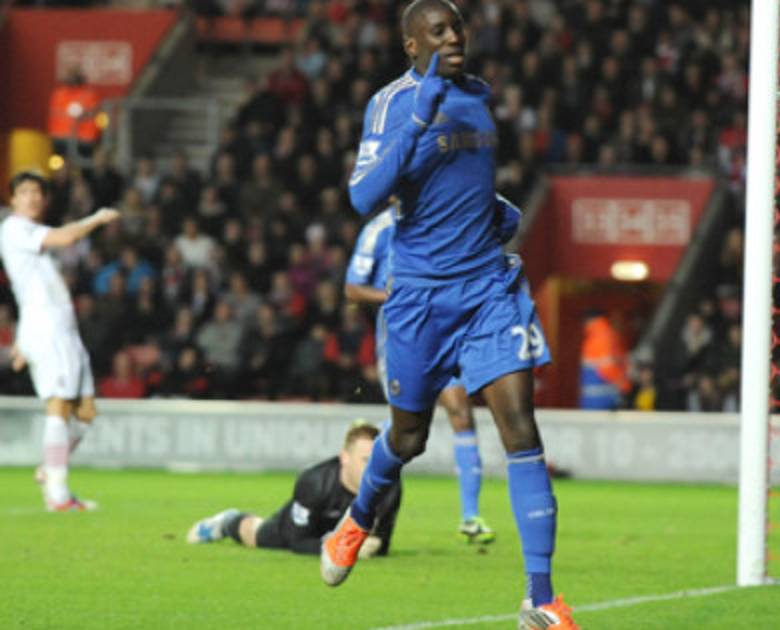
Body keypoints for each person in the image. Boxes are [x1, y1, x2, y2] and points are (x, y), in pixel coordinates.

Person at [323, 2, 576, 627]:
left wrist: (495, 210)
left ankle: (540, 597)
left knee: (521, 429)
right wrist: (421, 113)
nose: (453, 37)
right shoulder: (392, 103)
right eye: (437, 31)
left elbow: (465, 179)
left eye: (457, 27)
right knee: (409, 437)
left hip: (488, 287)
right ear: (412, 45)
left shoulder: (479, 97)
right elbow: (363, 195)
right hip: (419, 297)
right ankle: (357, 520)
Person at [343, 197, 521, 545]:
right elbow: (352, 288)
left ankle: (470, 516)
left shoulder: (441, 218)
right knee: (405, 430)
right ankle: (361, 492)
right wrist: (395, 295)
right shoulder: (378, 230)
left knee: (461, 412)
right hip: (401, 339)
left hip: (443, 334)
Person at [0, 171, 120, 511]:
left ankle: (50, 466)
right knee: (59, 404)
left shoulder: (31, 233)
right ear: (13, 199)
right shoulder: (14, 228)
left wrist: (22, 338)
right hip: (48, 330)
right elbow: (67, 237)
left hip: (61, 329)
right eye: (25, 191)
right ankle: (58, 494)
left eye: (37, 192)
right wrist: (97, 218)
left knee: (85, 413)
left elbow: (28, 289)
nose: (33, 197)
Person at [187, 421, 401, 556]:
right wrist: (341, 548)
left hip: (338, 536)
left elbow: (382, 541)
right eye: (366, 460)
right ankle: (227, 522)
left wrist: (374, 545)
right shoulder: (314, 482)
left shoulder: (390, 487)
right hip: (298, 529)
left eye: (377, 462)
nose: (373, 470)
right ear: (345, 457)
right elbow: (297, 541)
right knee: (258, 536)